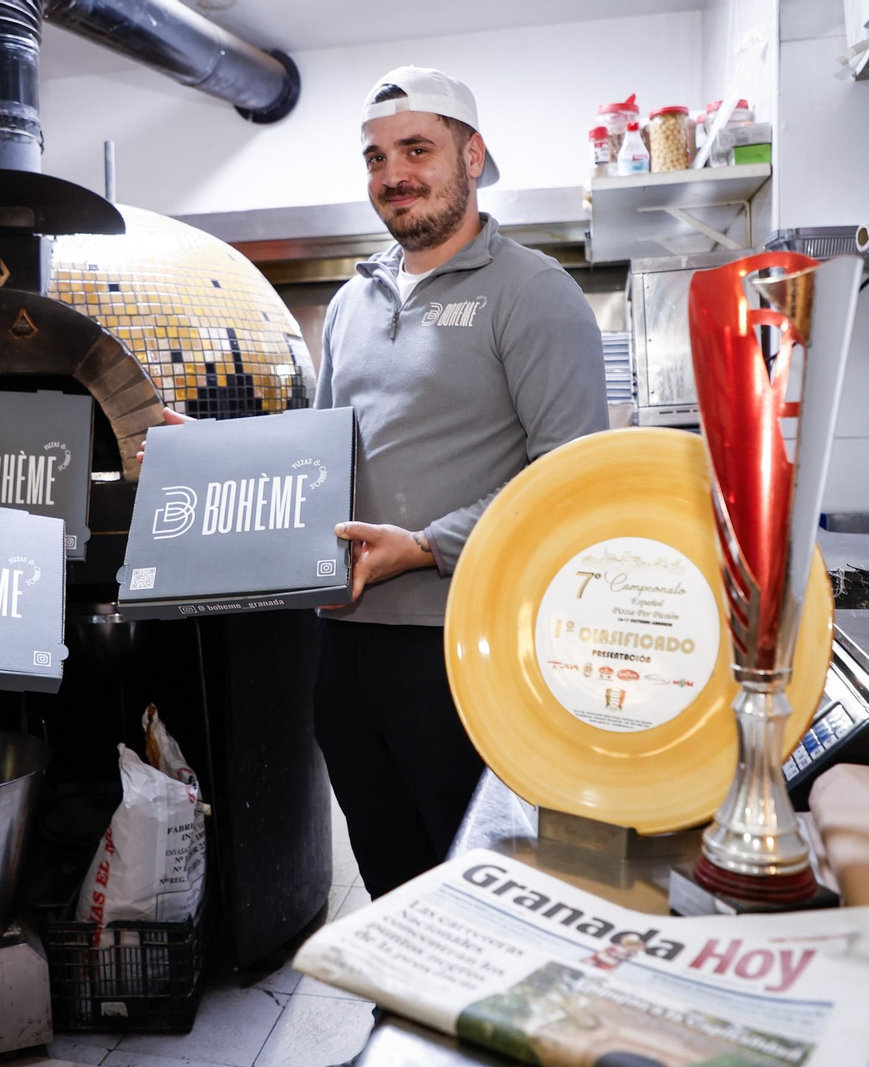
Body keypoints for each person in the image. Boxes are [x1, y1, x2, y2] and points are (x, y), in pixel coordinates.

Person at [311, 67, 610, 898]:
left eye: (417, 149)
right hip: (348, 644)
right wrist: (215, 460)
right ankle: (395, 1022)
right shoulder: (350, 303)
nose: (393, 174)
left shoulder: (531, 292)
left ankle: (474, 1028)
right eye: (375, 157)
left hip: (467, 647)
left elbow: (570, 479)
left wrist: (425, 545)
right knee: (389, 877)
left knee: (481, 883)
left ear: (472, 157)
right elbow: (319, 456)